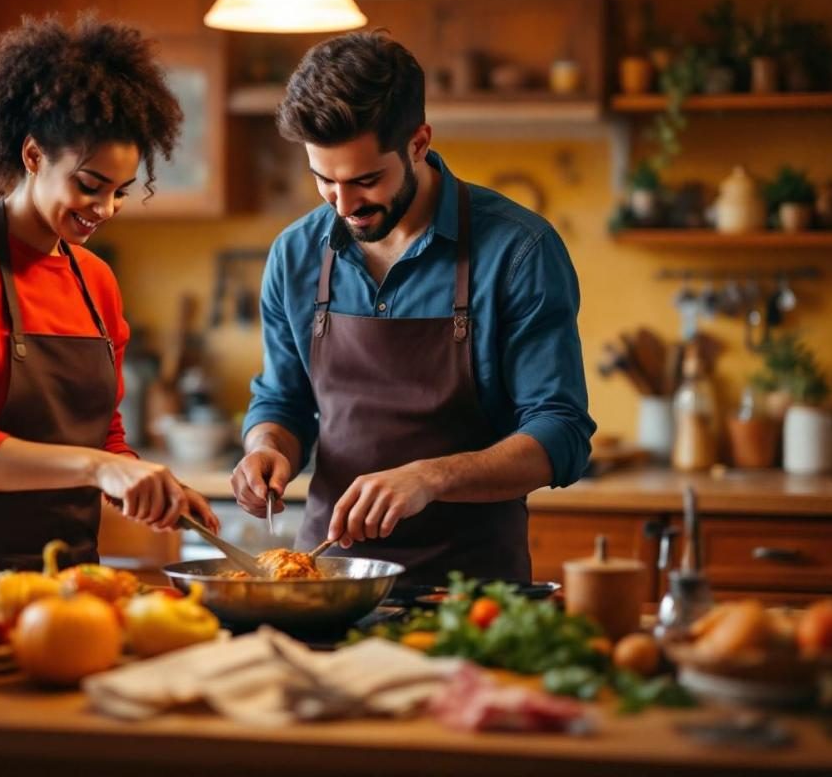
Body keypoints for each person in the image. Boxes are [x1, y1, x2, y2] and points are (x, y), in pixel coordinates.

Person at [231, 31, 596, 586]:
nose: (344, 205)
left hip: (470, 593)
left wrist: (432, 477)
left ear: (419, 143)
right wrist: (267, 447)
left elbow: (561, 432)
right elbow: (283, 400)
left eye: (366, 180)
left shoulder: (519, 251)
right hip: (327, 583)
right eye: (323, 180)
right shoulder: (295, 253)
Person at [0, 15, 217, 571]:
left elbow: (102, 434)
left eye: (120, 192)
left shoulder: (96, 281)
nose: (105, 209)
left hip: (68, 571)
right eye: (89, 185)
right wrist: (98, 469)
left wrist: (148, 484)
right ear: (34, 156)